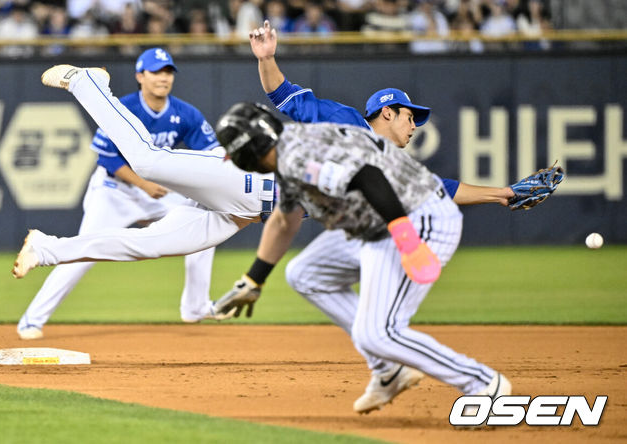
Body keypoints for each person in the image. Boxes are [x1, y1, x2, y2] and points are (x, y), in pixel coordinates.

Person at [215, 20, 514, 414]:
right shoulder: (288, 156)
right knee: (304, 274)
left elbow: (368, 177)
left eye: (231, 152)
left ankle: (483, 384)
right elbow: (285, 221)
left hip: (417, 220)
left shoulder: (300, 155)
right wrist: (254, 279)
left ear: (248, 150)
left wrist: (408, 241)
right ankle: (389, 372)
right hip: (381, 225)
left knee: (378, 332)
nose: (228, 159)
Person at [13, 64, 277, 327]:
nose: (163, 77)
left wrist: (256, 277)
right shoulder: (132, 105)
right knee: (147, 161)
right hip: (125, 189)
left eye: (168, 72)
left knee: (148, 245)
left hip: (249, 210)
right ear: (141, 77)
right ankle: (85, 82)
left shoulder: (184, 112)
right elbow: (107, 157)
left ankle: (45, 249)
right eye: (156, 71)